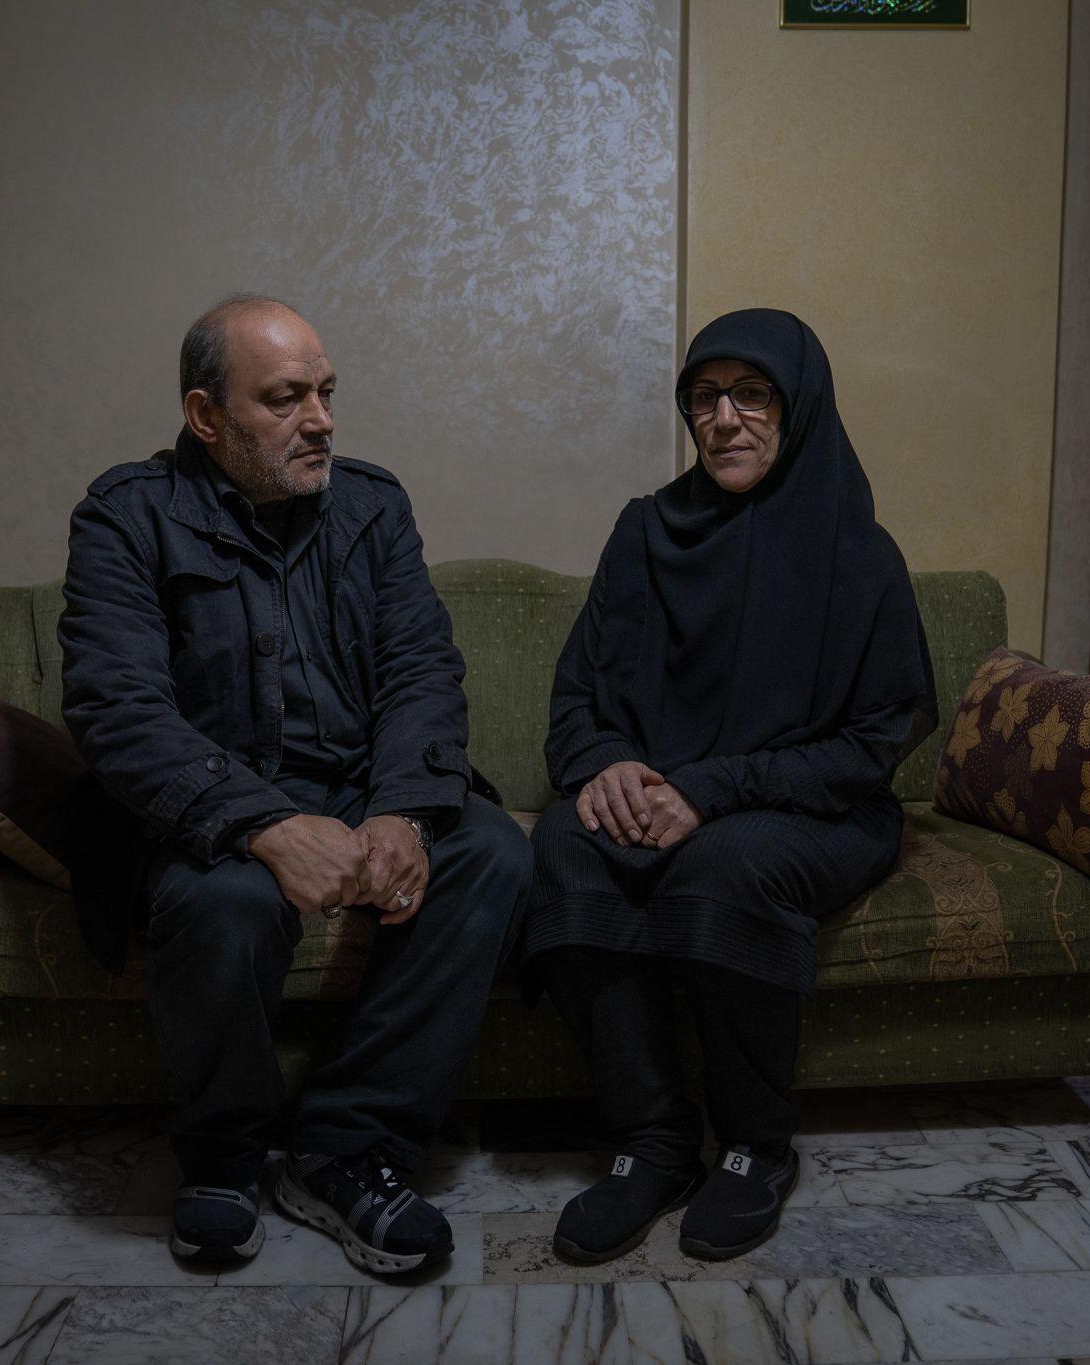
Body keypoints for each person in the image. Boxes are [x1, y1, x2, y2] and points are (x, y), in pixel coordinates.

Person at [59, 296, 529, 1276]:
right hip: (212, 802)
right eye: (284, 398)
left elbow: (419, 673)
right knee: (219, 901)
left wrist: (401, 809)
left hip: (362, 783)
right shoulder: (125, 516)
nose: (319, 419)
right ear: (205, 416)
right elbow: (118, 711)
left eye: (325, 393)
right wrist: (265, 824)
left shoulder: (370, 505)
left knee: (486, 851)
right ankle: (224, 1158)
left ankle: (345, 1148)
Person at [525, 308, 938, 1264]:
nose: (725, 419)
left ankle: (756, 1144)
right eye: (705, 398)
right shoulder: (646, 531)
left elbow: (874, 742)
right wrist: (609, 764)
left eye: (753, 395)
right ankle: (654, 1142)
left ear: (799, 409)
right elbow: (578, 696)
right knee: (562, 845)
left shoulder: (860, 555)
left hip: (813, 808)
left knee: (725, 863)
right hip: (666, 793)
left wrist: (707, 787)